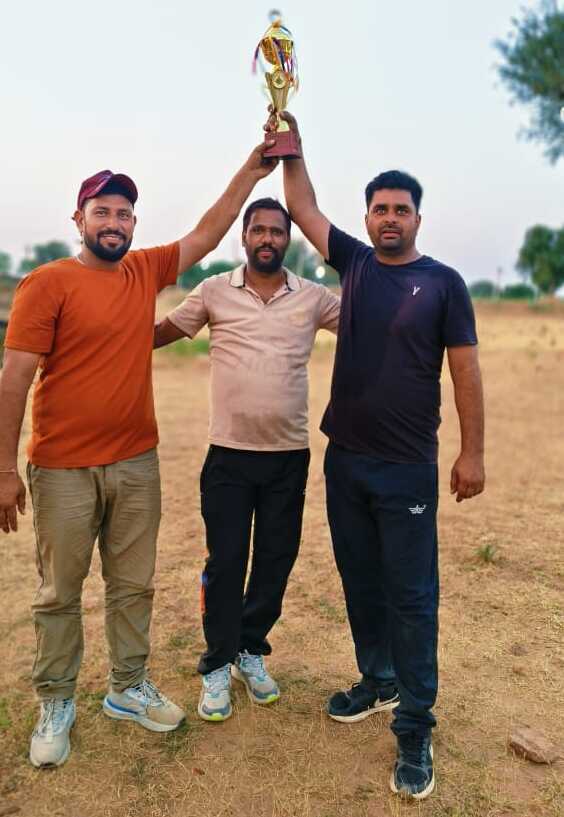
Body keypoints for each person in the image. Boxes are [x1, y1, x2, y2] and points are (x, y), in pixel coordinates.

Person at [0, 141, 278, 768]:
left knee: (132, 586)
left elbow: (207, 234)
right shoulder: (47, 284)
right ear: (79, 220)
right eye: (103, 211)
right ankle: (57, 701)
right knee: (58, 592)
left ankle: (126, 687)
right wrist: (3, 470)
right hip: (62, 468)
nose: (114, 223)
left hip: (135, 463)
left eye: (125, 213)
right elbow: (13, 378)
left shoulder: (143, 271)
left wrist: (252, 168)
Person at [281, 113, 485, 800]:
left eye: (401, 209)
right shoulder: (357, 263)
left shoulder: (444, 284)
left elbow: (466, 372)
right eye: (379, 209)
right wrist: (292, 146)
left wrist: (471, 452)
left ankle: (416, 724)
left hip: (407, 469)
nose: (389, 218)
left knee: (412, 596)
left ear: (417, 218)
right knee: (361, 581)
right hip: (346, 462)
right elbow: (302, 207)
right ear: (367, 219)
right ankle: (377, 678)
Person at [154, 197, 340, 722]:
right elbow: (160, 334)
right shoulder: (215, 291)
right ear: (244, 238)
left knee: (275, 562)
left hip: (288, 456)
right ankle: (216, 663)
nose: (267, 239)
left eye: (276, 231)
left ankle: (250, 650)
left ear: (288, 239)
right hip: (229, 457)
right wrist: (97, 336)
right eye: (257, 230)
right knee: (226, 561)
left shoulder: (312, 298)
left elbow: (366, 327)